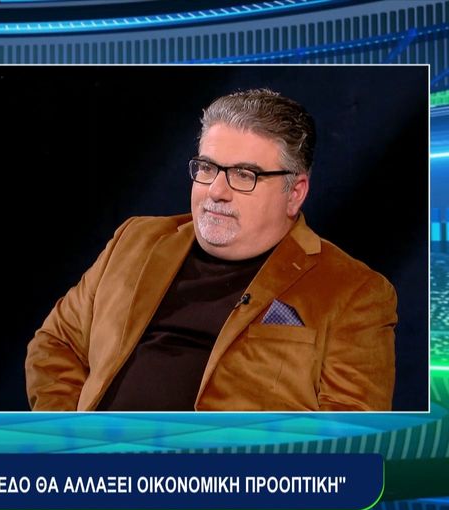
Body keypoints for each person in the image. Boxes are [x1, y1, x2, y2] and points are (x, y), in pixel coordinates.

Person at [25, 89, 396, 412]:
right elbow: (56, 345)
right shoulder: (136, 239)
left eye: (244, 175)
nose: (216, 191)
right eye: (207, 168)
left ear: (294, 193)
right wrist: (72, 438)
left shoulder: (353, 291)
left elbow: (351, 434)